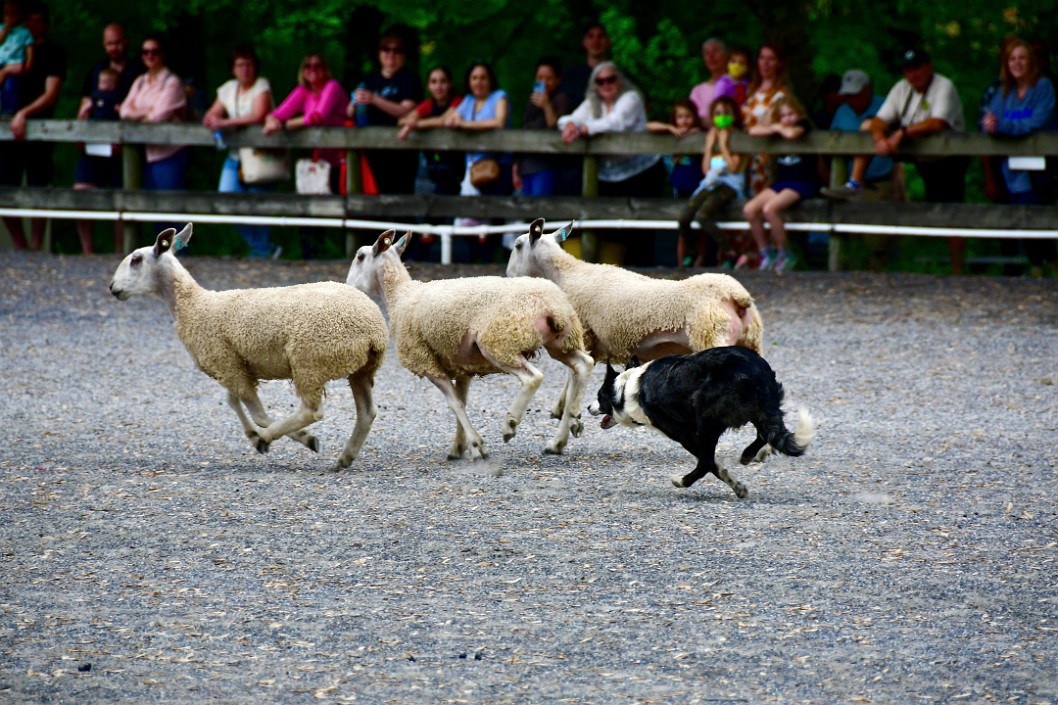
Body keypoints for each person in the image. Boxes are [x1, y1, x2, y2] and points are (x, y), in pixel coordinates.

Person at [821, 47, 968, 274]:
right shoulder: (901, 88)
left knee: (951, 211)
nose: (913, 74)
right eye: (908, 70)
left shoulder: (943, 86)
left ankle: (958, 271)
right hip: (914, 150)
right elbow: (880, 119)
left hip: (946, 157)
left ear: (928, 67)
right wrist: (880, 138)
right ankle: (854, 183)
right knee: (867, 126)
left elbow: (938, 123)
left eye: (917, 68)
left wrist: (902, 133)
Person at [982, 38, 1058, 274]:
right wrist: (989, 123)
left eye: (1022, 58)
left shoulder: (1043, 87)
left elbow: (1036, 123)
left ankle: (1049, 270)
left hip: (1040, 171)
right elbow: (989, 118)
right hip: (1012, 171)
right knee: (1021, 226)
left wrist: (1004, 126)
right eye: (1012, 58)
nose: (1017, 63)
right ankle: (1036, 273)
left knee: (1040, 226)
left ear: (1031, 62)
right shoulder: (1005, 92)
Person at [263, 53, 347, 258]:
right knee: (309, 208)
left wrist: (285, 125)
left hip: (341, 159)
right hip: (317, 162)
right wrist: (271, 120)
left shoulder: (332, 87)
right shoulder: (304, 91)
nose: (312, 69)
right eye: (307, 66)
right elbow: (281, 111)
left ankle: (348, 254)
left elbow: (318, 116)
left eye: (318, 65)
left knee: (344, 208)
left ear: (325, 69)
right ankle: (311, 256)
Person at [72, 22, 144, 254]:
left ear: (126, 41)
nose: (114, 47)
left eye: (117, 42)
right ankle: (87, 250)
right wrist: (80, 131)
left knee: (122, 197)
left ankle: (120, 250)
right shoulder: (96, 70)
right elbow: (84, 104)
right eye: (109, 43)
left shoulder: (137, 70)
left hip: (123, 147)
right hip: (94, 144)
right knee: (82, 190)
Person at [0, 1, 65, 252]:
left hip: (40, 127)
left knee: (40, 185)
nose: (32, 25)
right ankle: (21, 245)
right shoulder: (8, 49)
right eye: (28, 20)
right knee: (5, 185)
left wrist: (24, 113)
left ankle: (36, 245)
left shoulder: (53, 53)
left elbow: (52, 92)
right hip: (7, 127)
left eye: (37, 20)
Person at [202, 45, 277, 259]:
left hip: (258, 156)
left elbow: (258, 115)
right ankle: (264, 248)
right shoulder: (227, 89)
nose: (244, 69)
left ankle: (261, 251)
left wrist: (224, 122)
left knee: (258, 204)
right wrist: (212, 120)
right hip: (235, 156)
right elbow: (212, 113)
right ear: (233, 68)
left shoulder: (261, 85)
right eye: (240, 65)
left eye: (248, 65)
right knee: (226, 201)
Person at [558, 61, 664, 198]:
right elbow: (567, 119)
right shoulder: (592, 102)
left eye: (610, 79)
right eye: (600, 81)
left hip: (643, 171)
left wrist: (587, 128)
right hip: (609, 174)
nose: (606, 84)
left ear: (619, 80)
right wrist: (570, 125)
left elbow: (617, 122)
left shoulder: (632, 97)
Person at [829, 69, 898, 270]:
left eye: (855, 94)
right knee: (850, 239)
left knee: (877, 241)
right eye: (847, 95)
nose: (851, 100)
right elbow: (830, 144)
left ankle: (878, 281)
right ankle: (848, 279)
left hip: (879, 183)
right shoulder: (842, 112)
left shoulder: (885, 108)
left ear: (867, 90)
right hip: (848, 186)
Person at [741, 95, 818, 272]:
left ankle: (785, 252)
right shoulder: (778, 128)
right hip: (781, 183)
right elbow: (753, 131)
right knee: (750, 209)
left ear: (799, 114)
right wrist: (775, 126)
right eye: (783, 116)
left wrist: (777, 127)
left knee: (770, 209)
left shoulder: (803, 127)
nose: (787, 119)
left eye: (791, 114)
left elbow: (791, 134)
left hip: (801, 183)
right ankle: (766, 253)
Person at [677, 96, 746, 268]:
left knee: (703, 216)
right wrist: (709, 147)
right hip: (710, 182)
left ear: (734, 115)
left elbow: (733, 168)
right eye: (717, 113)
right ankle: (691, 252)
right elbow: (706, 170)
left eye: (726, 113)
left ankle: (730, 252)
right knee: (684, 217)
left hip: (730, 185)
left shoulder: (739, 138)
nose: (722, 116)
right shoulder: (710, 136)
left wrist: (723, 146)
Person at [348, 31, 421, 194]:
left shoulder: (409, 79)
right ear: (379, 53)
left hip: (401, 153)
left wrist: (375, 99)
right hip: (371, 150)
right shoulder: (369, 79)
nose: (391, 54)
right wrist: (355, 101)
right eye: (386, 49)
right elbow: (349, 112)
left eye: (397, 50)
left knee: (401, 199)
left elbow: (406, 110)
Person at [119, 36, 188, 193]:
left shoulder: (172, 82)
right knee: (148, 206)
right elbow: (124, 111)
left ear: (163, 54)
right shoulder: (140, 81)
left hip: (169, 153)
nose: (150, 56)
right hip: (146, 153)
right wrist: (147, 112)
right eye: (145, 52)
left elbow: (159, 116)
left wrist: (137, 115)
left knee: (170, 206)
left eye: (155, 52)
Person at [397, 64, 464, 195]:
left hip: (456, 164)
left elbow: (443, 120)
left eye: (443, 81)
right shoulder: (428, 104)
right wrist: (411, 122)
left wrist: (415, 124)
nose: (438, 86)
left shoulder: (459, 102)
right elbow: (403, 120)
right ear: (428, 86)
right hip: (433, 163)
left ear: (450, 84)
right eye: (433, 82)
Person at [513, 56, 571, 197]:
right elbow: (524, 131)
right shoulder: (531, 102)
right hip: (525, 166)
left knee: (539, 213)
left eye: (549, 78)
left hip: (545, 166)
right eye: (540, 78)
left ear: (558, 79)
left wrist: (546, 105)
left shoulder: (561, 99)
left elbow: (556, 127)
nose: (544, 82)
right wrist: (516, 167)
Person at [741, 44, 789, 197]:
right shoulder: (750, 91)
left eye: (771, 59)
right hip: (744, 155)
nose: (765, 63)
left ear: (779, 63)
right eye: (762, 58)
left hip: (766, 157)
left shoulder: (781, 94)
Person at [647, 98, 703, 199]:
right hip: (679, 180)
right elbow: (647, 126)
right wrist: (669, 127)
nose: (684, 120)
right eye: (680, 117)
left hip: (697, 180)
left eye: (688, 116)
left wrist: (694, 135)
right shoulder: (674, 133)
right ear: (675, 119)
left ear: (694, 117)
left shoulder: (699, 132)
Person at [559, 21, 611, 109]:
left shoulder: (618, 75)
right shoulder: (571, 76)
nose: (596, 40)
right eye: (591, 36)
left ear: (608, 42)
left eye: (600, 36)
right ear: (584, 42)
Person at [0, 0, 32, 115]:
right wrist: (6, 27)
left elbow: (29, 48)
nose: (10, 17)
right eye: (7, 14)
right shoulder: (1, 28)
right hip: (1, 61)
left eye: (13, 14)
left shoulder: (24, 32)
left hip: (15, 63)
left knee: (10, 88)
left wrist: (28, 65)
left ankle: (8, 111)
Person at [689, 37, 728, 120]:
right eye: (707, 53)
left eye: (715, 51)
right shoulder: (698, 90)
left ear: (725, 56)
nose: (711, 56)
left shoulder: (737, 85)